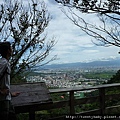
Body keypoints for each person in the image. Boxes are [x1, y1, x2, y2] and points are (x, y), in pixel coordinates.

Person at [0, 41, 20, 120]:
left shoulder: (4, 63)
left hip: (7, 98)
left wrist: (10, 94)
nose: (12, 49)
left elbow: (4, 82)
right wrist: (1, 92)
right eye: (11, 48)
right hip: (2, 101)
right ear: (8, 50)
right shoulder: (3, 63)